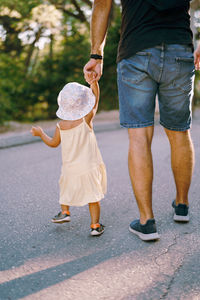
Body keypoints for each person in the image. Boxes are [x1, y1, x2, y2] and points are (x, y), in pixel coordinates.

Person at [84, 0, 199, 241]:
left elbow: (102, 3)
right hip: (179, 48)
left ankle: (147, 221)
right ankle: (182, 205)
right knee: (179, 131)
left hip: (136, 50)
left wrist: (97, 53)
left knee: (139, 136)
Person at [31, 80, 107, 236]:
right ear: (83, 103)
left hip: (69, 168)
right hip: (88, 167)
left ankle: (65, 212)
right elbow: (95, 101)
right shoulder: (86, 120)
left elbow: (53, 143)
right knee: (93, 197)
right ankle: (95, 225)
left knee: (65, 188)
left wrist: (40, 134)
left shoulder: (60, 126)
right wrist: (94, 84)